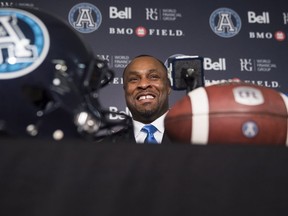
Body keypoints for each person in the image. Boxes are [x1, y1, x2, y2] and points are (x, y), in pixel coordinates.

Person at [109, 54, 172, 144]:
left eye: (153, 77)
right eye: (134, 79)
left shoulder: (193, 139)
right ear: (125, 90)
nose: (143, 84)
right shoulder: (105, 147)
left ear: (168, 86)